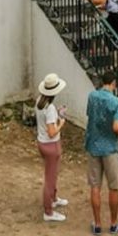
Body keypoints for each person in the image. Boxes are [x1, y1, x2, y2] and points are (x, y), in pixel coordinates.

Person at [85, 71, 118, 235]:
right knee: (113, 187)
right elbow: (116, 127)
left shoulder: (92, 96)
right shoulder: (117, 102)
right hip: (110, 148)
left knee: (95, 186)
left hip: (93, 146)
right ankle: (113, 223)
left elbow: (90, 116)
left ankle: (97, 224)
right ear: (114, 83)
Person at [36, 73, 69, 222]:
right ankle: (48, 211)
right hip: (51, 145)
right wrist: (61, 123)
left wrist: (57, 115)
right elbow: (51, 132)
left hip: (42, 142)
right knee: (50, 178)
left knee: (52, 173)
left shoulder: (39, 102)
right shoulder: (49, 108)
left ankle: (53, 199)